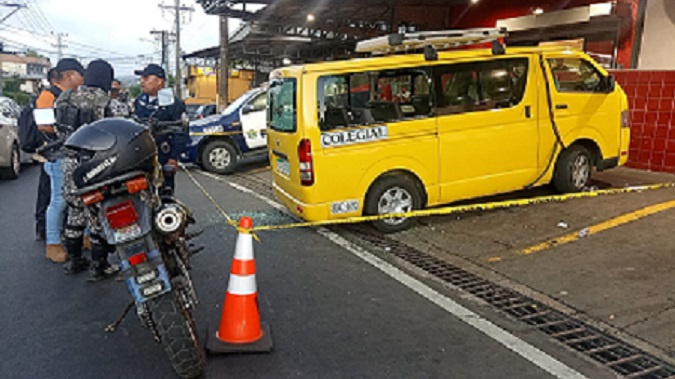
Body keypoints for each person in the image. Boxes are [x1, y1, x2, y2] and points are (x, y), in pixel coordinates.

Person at [56, 59, 124, 281]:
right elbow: (122, 129)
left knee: (75, 210)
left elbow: (58, 130)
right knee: (99, 211)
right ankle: (99, 265)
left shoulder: (64, 98)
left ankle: (73, 260)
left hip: (68, 161)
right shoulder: (109, 102)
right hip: (95, 164)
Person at [39, 58, 85, 263]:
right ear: (69, 75)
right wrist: (69, 130)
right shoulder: (48, 96)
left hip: (72, 155)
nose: (82, 80)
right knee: (59, 201)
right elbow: (43, 125)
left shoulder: (72, 96)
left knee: (79, 199)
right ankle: (53, 243)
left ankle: (81, 236)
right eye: (80, 75)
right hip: (57, 156)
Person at [133, 64, 187, 194]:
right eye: (141, 78)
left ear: (159, 81)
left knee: (164, 193)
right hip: (140, 156)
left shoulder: (173, 103)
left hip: (163, 154)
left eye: (146, 78)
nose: (142, 82)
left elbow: (181, 131)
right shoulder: (140, 101)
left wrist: (174, 158)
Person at [34, 68, 62, 242]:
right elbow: (44, 125)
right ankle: (43, 228)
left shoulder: (63, 94)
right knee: (47, 191)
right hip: (49, 150)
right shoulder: (47, 95)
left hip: (57, 150)